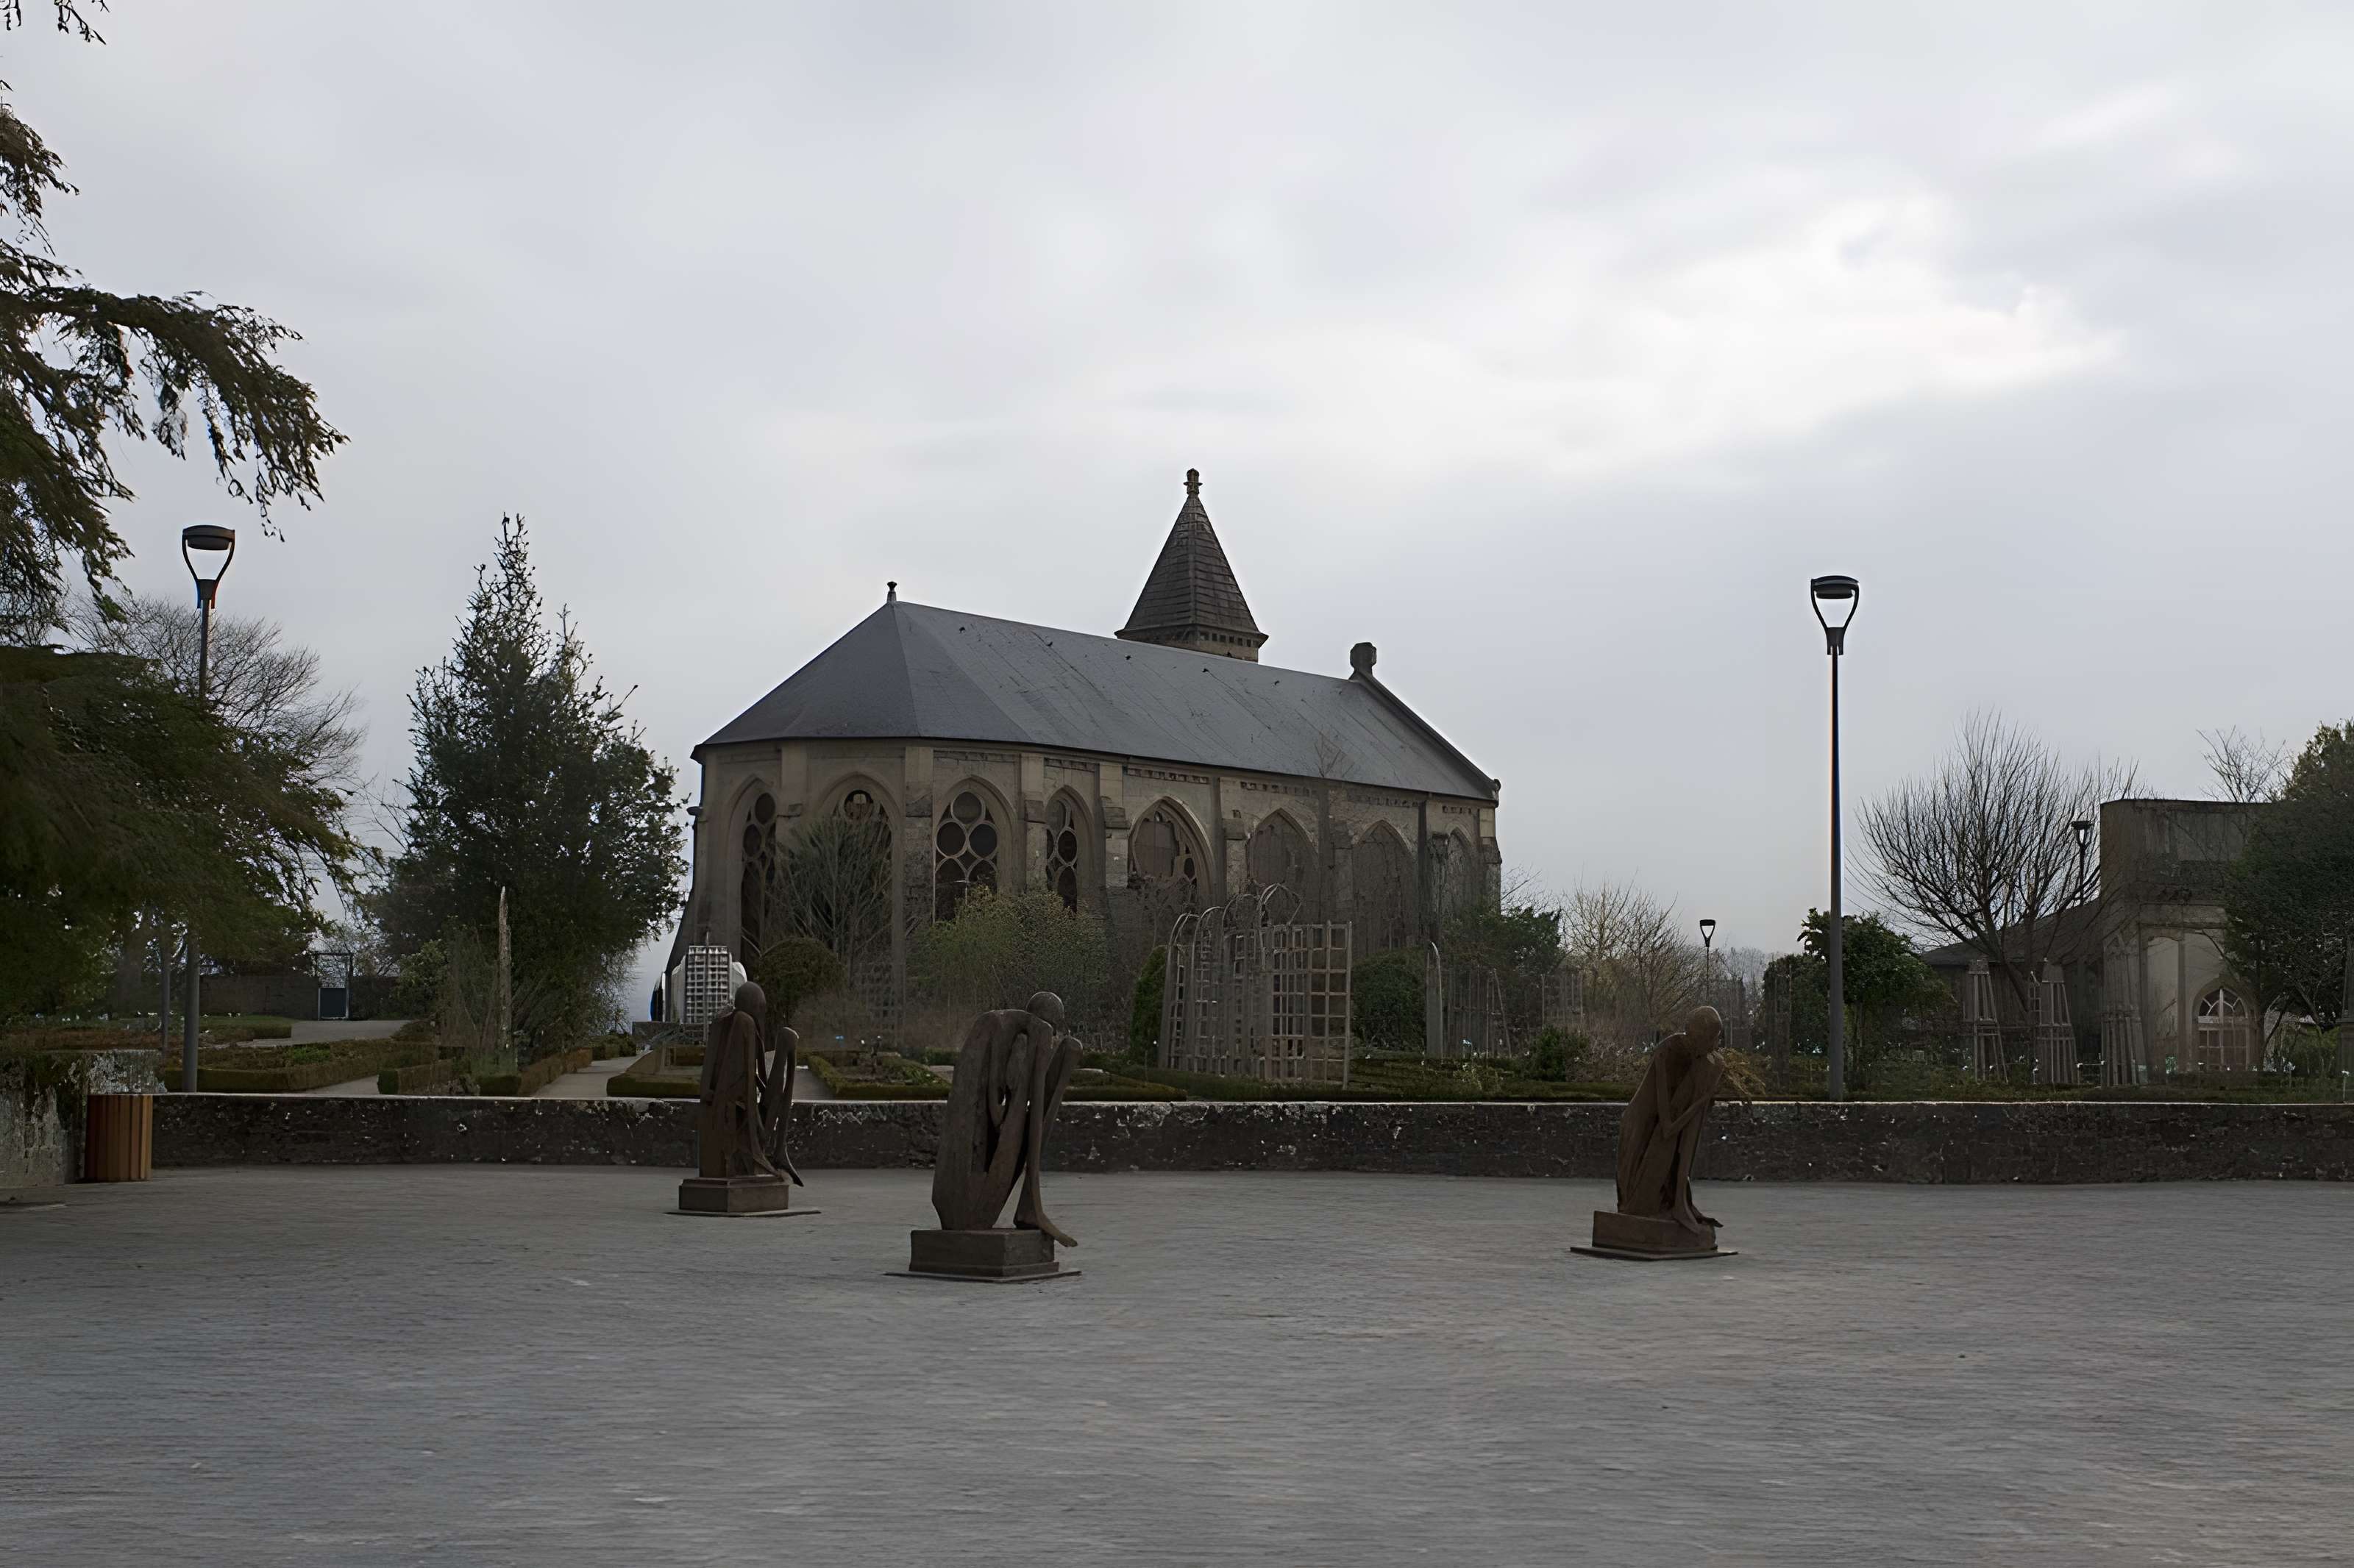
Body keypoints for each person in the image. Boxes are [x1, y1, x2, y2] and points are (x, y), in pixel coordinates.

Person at [931, 991, 1078, 1244]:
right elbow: (1001, 1107)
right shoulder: (1026, 1036)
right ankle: (1031, 1206)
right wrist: (1012, 1119)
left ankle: (1031, 1205)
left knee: (1071, 1050)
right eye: (1053, 1027)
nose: (1052, 1035)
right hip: (969, 1192)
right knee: (1072, 1050)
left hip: (970, 1161)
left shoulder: (1000, 1026)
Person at [1614, 1005, 1727, 1237]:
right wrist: (1700, 1102)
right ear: (1699, 1037)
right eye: (1713, 1039)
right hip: (1641, 1129)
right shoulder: (1667, 1052)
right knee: (1640, 1199)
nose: (1716, 1046)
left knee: (1662, 1179)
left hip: (1658, 1127)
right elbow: (1668, 1126)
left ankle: (1674, 1204)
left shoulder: (1695, 1057)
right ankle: (1664, 1208)